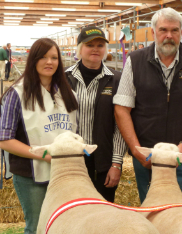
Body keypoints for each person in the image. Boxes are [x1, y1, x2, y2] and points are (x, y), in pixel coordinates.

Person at [114, 7, 182, 203]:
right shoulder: (135, 61)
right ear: (153, 32)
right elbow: (121, 108)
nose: (169, 36)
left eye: (174, 30)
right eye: (163, 30)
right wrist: (136, 151)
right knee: (152, 212)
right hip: (147, 158)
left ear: (181, 32)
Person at [0, 38, 78, 234]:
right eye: (43, 57)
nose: (49, 62)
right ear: (33, 60)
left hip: (65, 173)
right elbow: (4, 139)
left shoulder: (69, 94)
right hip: (29, 175)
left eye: (54, 57)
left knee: (64, 226)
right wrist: (44, 155)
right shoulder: (16, 94)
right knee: (36, 227)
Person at [65, 26, 127, 203]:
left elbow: (120, 126)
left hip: (103, 161)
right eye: (89, 45)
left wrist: (116, 164)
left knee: (103, 211)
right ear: (79, 48)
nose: (95, 49)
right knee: (74, 208)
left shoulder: (117, 79)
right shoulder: (63, 78)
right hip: (71, 158)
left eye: (100, 45)